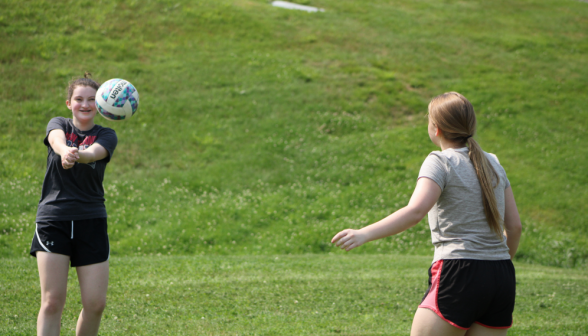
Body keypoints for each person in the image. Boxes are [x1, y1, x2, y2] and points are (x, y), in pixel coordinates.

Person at [331, 92, 522, 336]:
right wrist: (498, 264)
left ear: (436, 129)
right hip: (501, 277)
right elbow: (514, 227)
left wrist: (363, 234)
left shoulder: (440, 161)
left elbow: (415, 211)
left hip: (459, 272)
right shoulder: (493, 162)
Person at [30, 73, 118, 336]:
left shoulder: (106, 134)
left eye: (92, 100)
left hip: (91, 220)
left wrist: (76, 154)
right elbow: (56, 140)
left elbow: (94, 153)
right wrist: (64, 150)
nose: (85, 104)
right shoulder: (58, 124)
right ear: (69, 103)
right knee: (52, 301)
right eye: (79, 99)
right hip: (54, 219)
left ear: (100, 105)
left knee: (95, 304)